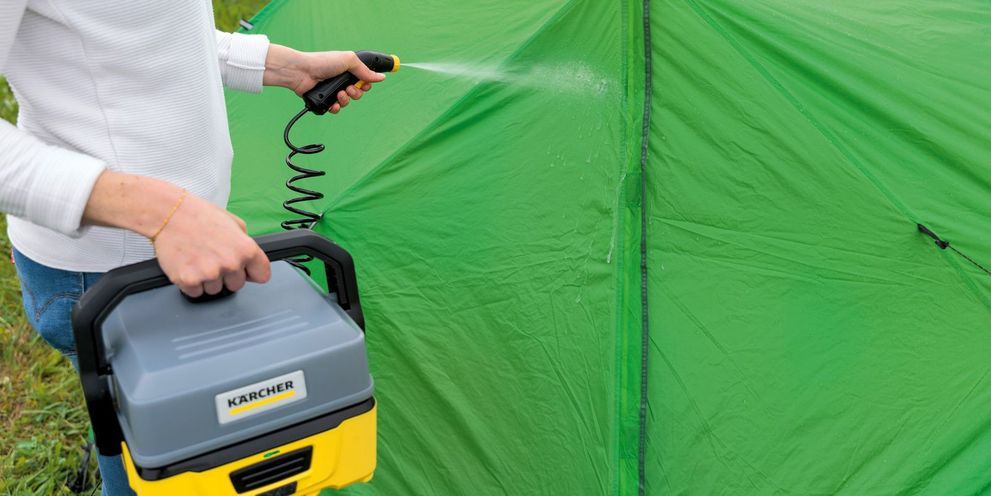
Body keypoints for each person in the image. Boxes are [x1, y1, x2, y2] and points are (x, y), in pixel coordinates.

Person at [0, 2, 387, 494]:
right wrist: (159, 212)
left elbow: (153, 38)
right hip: (107, 275)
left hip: (179, 253)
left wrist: (288, 66)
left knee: (187, 435)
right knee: (166, 459)